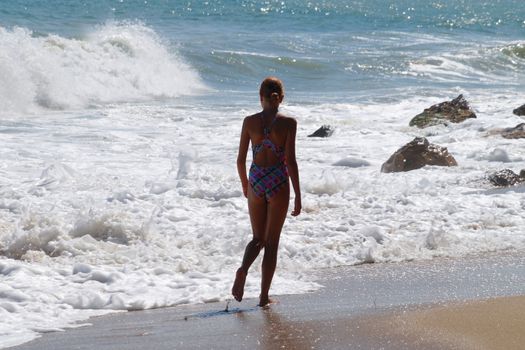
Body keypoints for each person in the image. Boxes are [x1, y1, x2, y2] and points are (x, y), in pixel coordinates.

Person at [231, 77, 301, 307]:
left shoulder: (249, 122)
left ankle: (243, 269)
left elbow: (240, 160)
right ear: (281, 98)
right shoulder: (289, 123)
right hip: (278, 181)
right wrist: (298, 197)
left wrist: (245, 184)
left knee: (257, 238)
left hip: (256, 181)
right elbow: (290, 162)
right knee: (271, 243)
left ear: (260, 97)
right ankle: (263, 297)